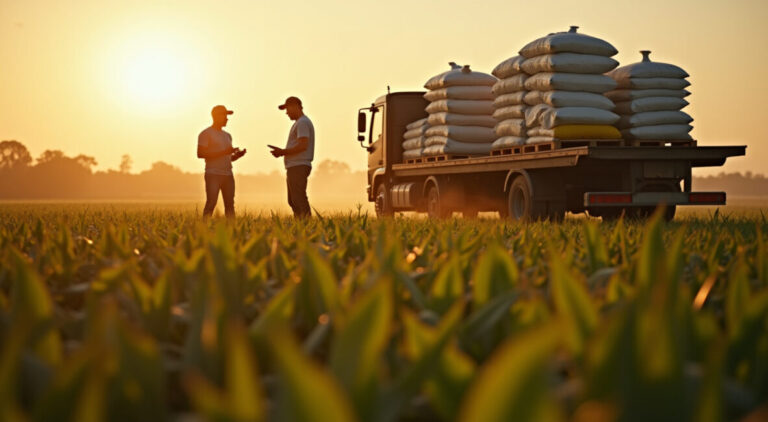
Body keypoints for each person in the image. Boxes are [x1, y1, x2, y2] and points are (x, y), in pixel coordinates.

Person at [197, 105, 246, 218]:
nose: (227, 118)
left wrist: (237, 155)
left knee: (230, 205)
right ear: (216, 116)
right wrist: (224, 152)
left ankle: (232, 230)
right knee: (211, 203)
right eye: (224, 115)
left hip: (228, 175)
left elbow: (228, 158)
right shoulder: (205, 133)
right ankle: (204, 228)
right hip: (213, 174)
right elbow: (200, 154)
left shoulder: (227, 135)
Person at [270, 96, 314, 218]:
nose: (286, 112)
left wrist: (282, 152)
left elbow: (303, 145)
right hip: (295, 165)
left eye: (287, 109)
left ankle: (307, 225)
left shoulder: (302, 123)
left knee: (298, 198)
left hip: (298, 165)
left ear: (295, 106)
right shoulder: (300, 123)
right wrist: (282, 152)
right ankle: (300, 225)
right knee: (293, 200)